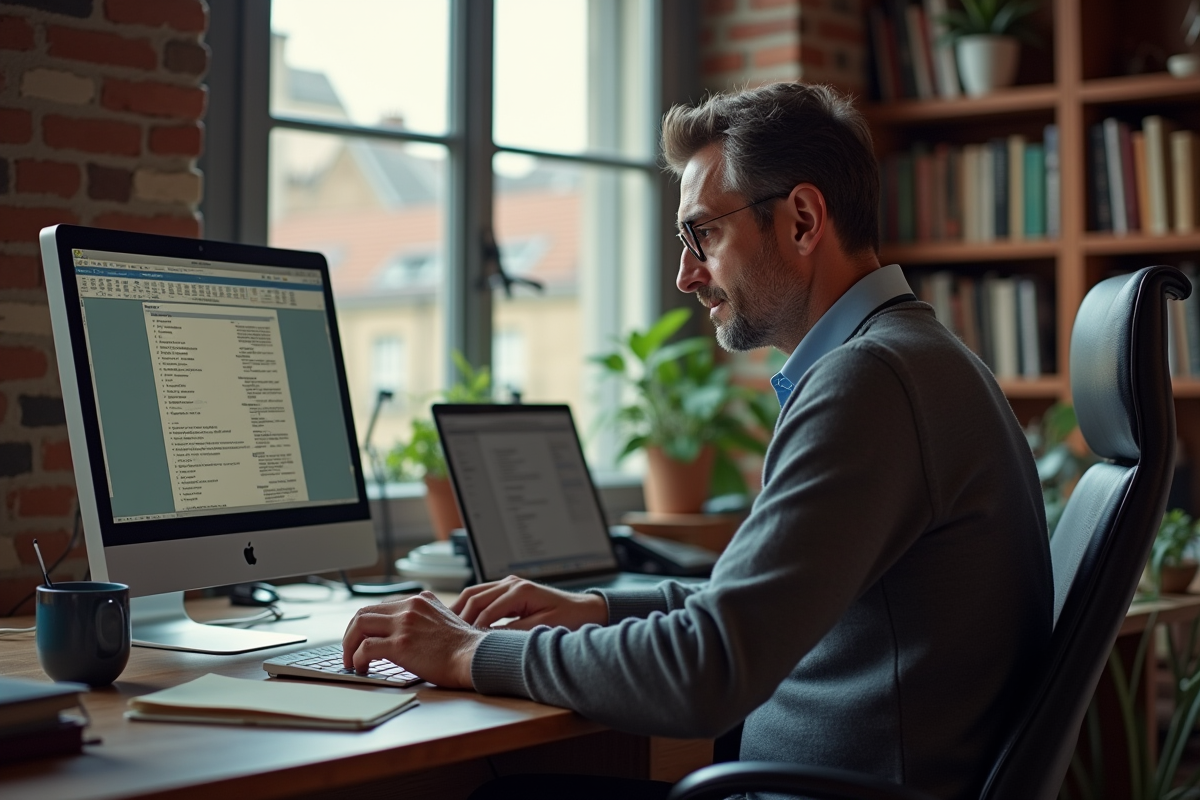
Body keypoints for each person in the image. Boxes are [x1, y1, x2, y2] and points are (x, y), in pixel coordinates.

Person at [341, 82, 1053, 799]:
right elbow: (755, 607)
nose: (685, 274)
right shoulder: (916, 357)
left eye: (703, 234)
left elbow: (707, 672)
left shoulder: (870, 381)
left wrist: (471, 652)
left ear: (803, 220)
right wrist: (602, 608)